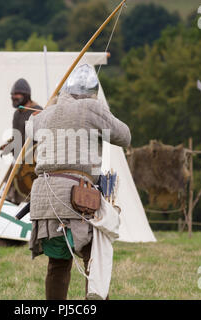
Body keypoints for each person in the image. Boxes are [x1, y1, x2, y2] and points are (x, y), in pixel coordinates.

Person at [25, 64, 131, 300]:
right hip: (76, 196)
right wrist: (104, 112)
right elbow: (125, 135)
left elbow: (29, 127)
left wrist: (48, 109)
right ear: (93, 93)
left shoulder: (48, 113)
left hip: (44, 196)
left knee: (58, 262)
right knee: (94, 255)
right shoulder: (92, 107)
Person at [0, 78, 43, 204]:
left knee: (28, 195)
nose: (13, 97)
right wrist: (9, 146)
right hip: (18, 160)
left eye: (16, 94)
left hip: (32, 163)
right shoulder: (17, 114)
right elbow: (17, 137)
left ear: (26, 95)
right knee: (11, 193)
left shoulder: (37, 112)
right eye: (12, 95)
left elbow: (42, 138)